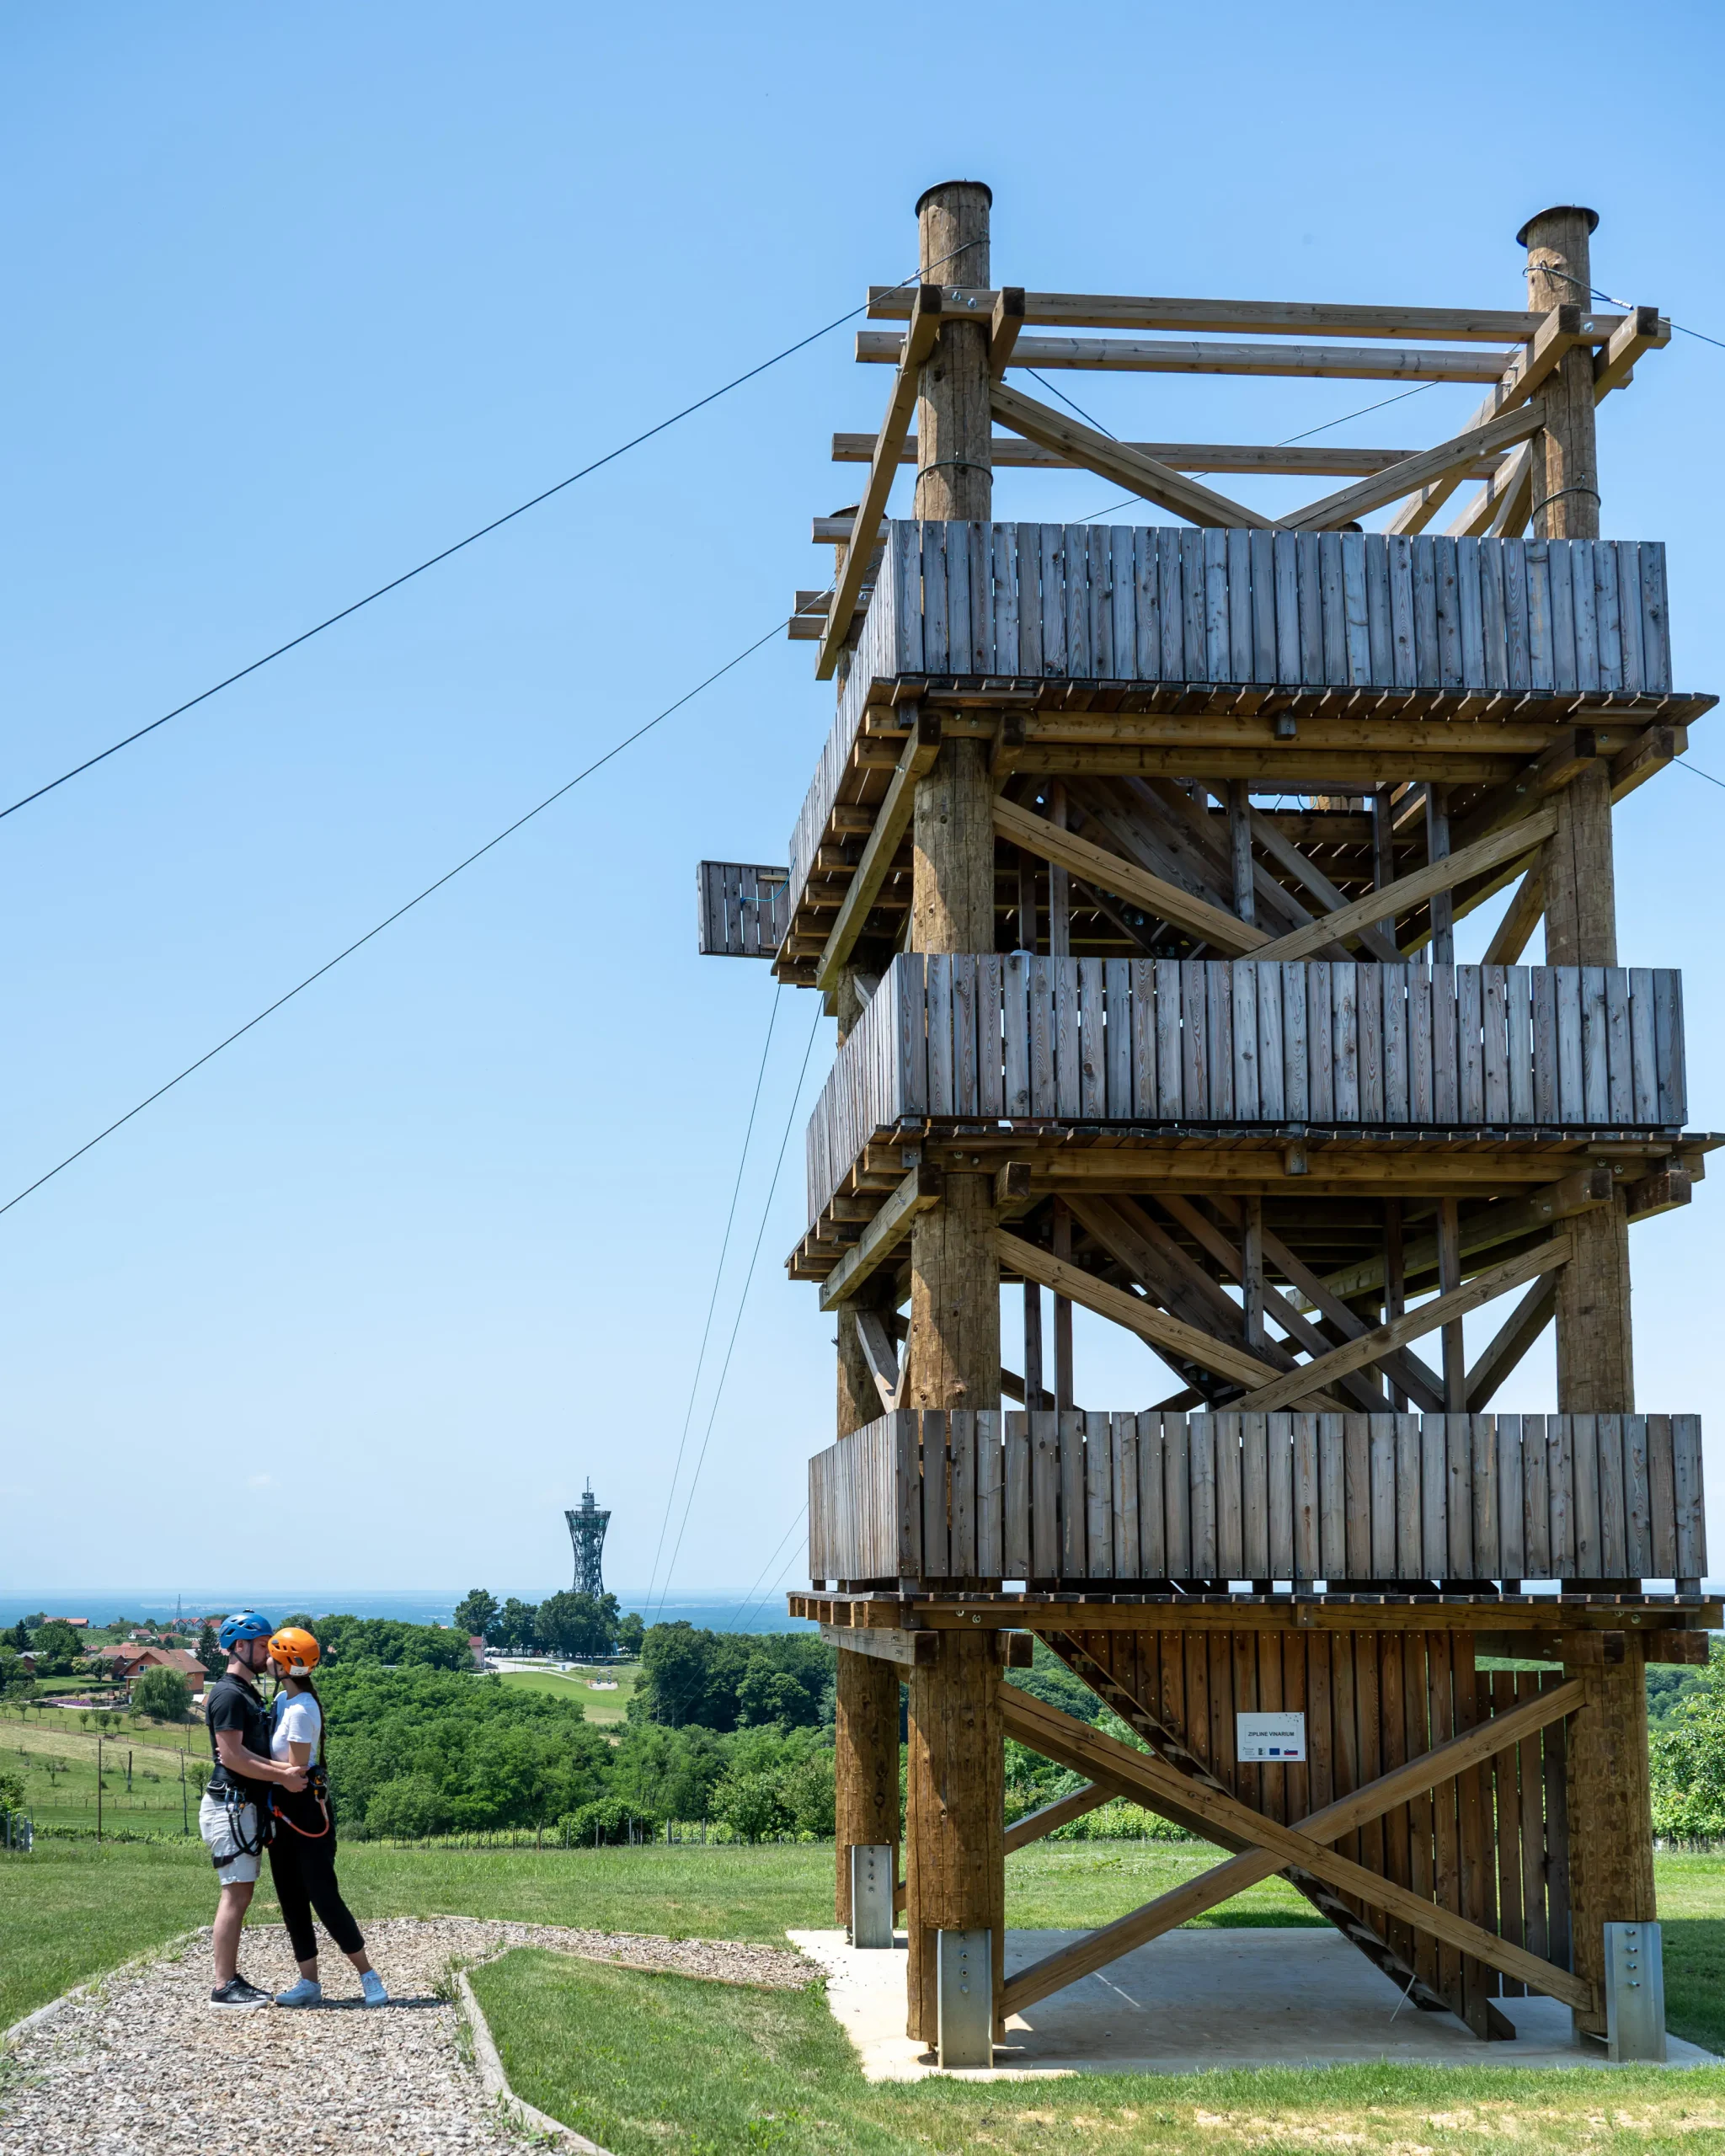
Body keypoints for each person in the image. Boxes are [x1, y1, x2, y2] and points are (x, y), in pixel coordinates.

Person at [263, 1625, 388, 2009]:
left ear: (285, 1666)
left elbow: (296, 1770)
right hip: (281, 1807)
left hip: (304, 1810)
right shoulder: (283, 1700)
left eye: (272, 1656)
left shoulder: (301, 1709)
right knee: (290, 1897)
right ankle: (309, 1983)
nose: (266, 1660)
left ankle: (368, 1976)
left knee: (322, 1895)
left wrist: (244, 1763)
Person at [199, 1612, 309, 2009]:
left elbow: (245, 1753)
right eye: (263, 1646)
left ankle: (229, 1979)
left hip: (241, 1805)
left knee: (240, 1892)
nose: (269, 1653)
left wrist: (283, 1772)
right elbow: (233, 1756)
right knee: (235, 1894)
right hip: (231, 1804)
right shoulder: (229, 1695)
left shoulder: (244, 1692)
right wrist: (284, 1775)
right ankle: (223, 1985)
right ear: (239, 1647)